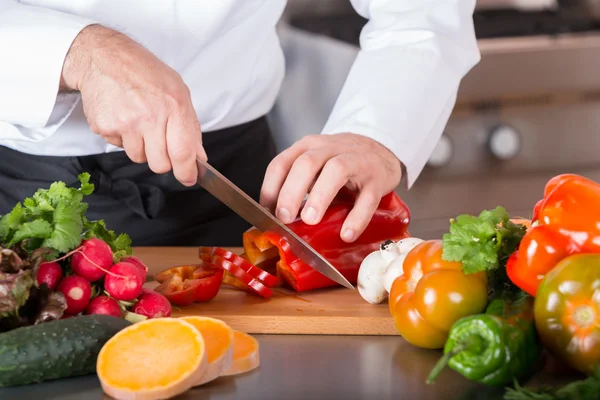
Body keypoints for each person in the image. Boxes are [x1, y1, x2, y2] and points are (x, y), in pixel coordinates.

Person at [0, 0, 480, 247]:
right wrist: (80, 53)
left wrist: (376, 130)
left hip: (232, 191)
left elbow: (420, 13)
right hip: (17, 194)